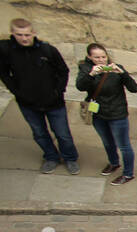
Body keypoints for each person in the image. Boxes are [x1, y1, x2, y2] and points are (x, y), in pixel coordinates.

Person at [0, 18, 78, 173]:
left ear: (33, 33)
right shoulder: (6, 50)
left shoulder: (47, 50)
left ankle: (69, 158)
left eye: (27, 34)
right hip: (27, 102)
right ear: (12, 33)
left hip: (53, 101)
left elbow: (63, 71)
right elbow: (4, 73)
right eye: (20, 34)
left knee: (63, 134)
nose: (24, 38)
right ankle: (51, 157)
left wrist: (58, 91)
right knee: (39, 133)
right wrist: (16, 91)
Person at [75, 43, 137, 183]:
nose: (101, 60)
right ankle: (114, 163)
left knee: (124, 145)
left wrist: (123, 74)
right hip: (98, 113)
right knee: (107, 141)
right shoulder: (86, 68)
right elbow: (80, 86)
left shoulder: (117, 69)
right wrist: (92, 74)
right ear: (89, 57)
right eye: (97, 57)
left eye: (103, 57)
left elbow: (134, 88)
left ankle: (128, 174)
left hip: (117, 114)